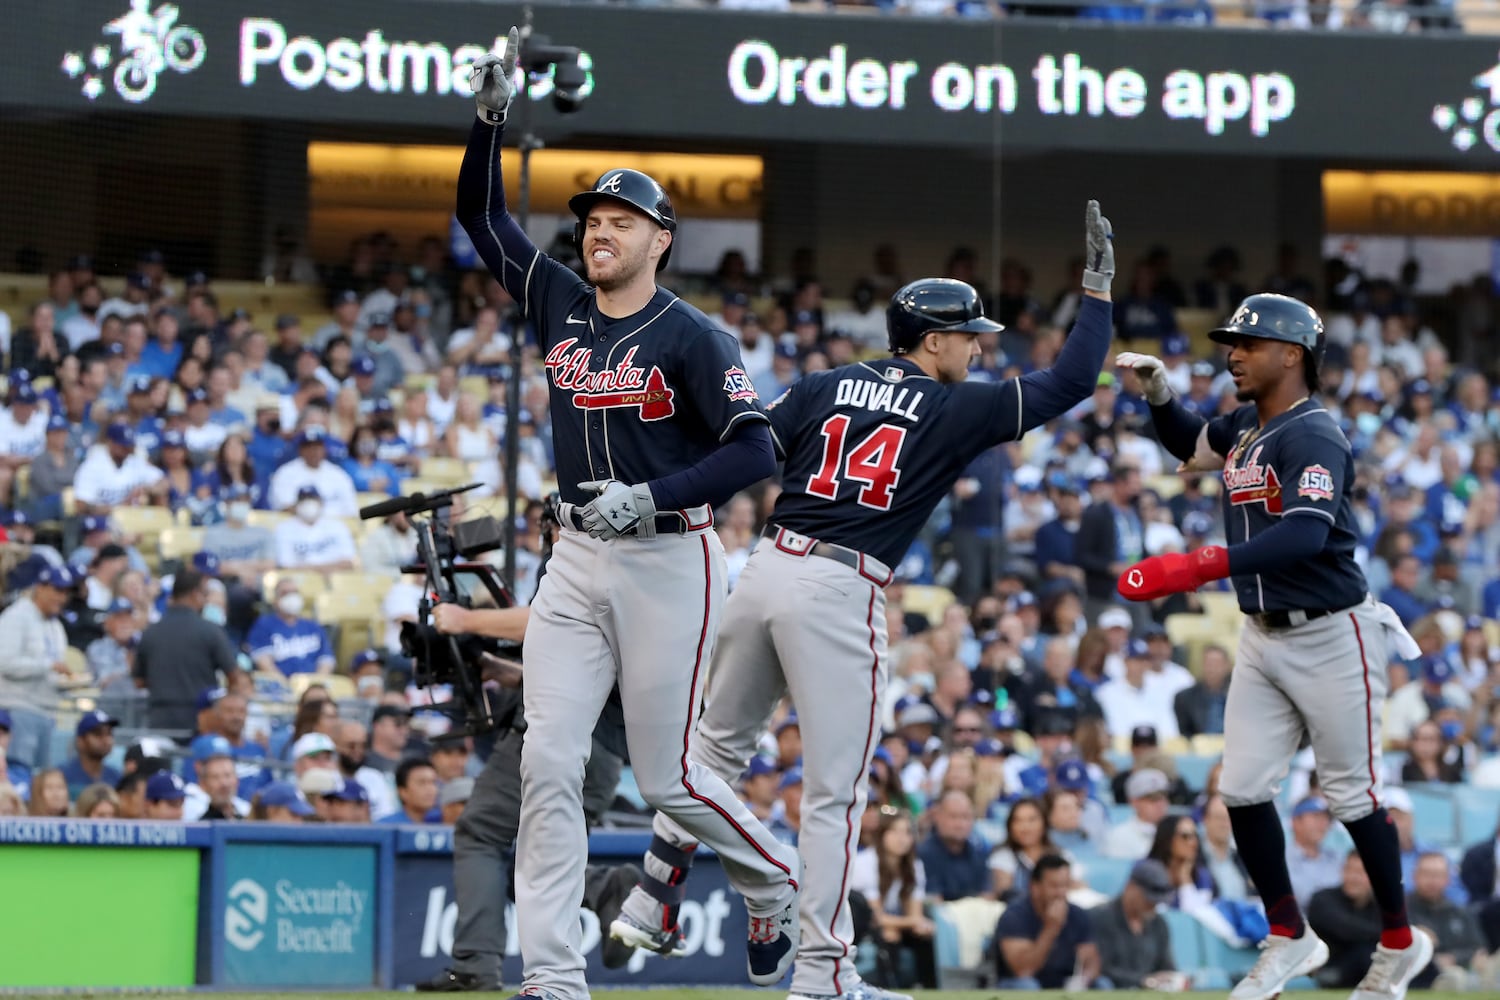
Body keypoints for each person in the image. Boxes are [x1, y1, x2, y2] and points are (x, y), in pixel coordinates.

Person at [613, 206, 1117, 1000]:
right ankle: (823, 973)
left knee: (708, 756)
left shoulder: (821, 382)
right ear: (930, 340)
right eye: (968, 335)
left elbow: (744, 454)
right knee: (835, 795)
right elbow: (1075, 381)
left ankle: (651, 895)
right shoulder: (956, 405)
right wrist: (1095, 292)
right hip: (839, 585)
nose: (979, 345)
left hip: (766, 567)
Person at [458, 35, 805, 1000]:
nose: (598, 230)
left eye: (621, 218)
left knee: (668, 784)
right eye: (591, 218)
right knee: (548, 767)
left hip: (667, 561)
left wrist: (653, 495)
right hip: (573, 560)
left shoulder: (696, 335)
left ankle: (774, 883)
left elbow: (754, 448)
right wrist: (486, 124)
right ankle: (555, 977)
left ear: (661, 238)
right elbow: (480, 217)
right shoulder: (560, 302)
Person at [1116, 293, 1432, 1000]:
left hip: (1331, 631)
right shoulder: (1248, 426)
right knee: (1241, 789)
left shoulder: (1313, 433)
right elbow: (1189, 446)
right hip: (1263, 634)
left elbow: (1305, 534)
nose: (1234, 353)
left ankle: (1400, 941)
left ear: (1292, 354)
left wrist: (1195, 566)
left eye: (1249, 344)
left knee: (1353, 796)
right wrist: (1163, 396)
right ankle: (1289, 935)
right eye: (1233, 343)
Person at [133, 570, 240, 732]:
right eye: (204, 595)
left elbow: (139, 682)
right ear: (195, 594)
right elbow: (234, 677)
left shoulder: (150, 632)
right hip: (201, 720)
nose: (205, 601)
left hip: (160, 720)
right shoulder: (211, 631)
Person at [0, 564, 79, 768]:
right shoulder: (16, 617)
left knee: (41, 781)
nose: (61, 598)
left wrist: (67, 681)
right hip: (18, 709)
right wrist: (48, 666)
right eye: (57, 590)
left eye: (65, 592)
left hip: (48, 712)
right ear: (40, 588)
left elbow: (53, 668)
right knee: (20, 772)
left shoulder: (55, 625)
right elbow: (4, 662)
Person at [992, 853, 1103, 989]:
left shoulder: (1077, 914)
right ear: (1035, 887)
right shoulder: (1014, 916)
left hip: (1064, 982)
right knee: (1028, 986)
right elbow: (1023, 970)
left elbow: (1090, 960)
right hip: (1018, 985)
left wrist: (1084, 980)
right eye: (1055, 886)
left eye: (1065, 886)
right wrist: (1051, 928)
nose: (1061, 893)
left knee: (1102, 984)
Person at [1090, 858, 1178, 989]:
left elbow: (1167, 967)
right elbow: (1100, 969)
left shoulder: (1158, 924)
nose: (1152, 905)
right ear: (1130, 887)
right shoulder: (1100, 917)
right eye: (1148, 899)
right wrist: (1143, 981)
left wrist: (1168, 979)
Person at [1308, 852, 1384, 990]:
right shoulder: (1323, 899)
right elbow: (1345, 929)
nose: (1354, 878)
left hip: (1367, 966)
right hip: (1329, 970)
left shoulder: (1380, 906)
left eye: (1361, 872)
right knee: (1366, 953)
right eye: (1349, 870)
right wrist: (1389, 933)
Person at [60, 710, 121, 796]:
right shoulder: (62, 775)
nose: (106, 740)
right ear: (80, 741)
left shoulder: (116, 777)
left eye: (109, 734)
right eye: (98, 734)